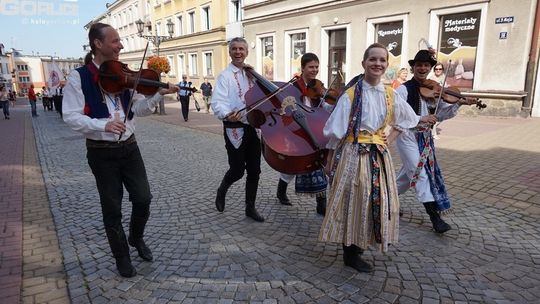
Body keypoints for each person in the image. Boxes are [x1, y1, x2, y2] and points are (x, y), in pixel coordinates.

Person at [62, 22, 179, 277]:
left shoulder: (123, 75)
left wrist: (159, 94)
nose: (121, 46)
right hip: (101, 152)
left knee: (143, 198)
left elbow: (139, 109)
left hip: (130, 147)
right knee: (112, 207)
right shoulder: (78, 77)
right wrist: (103, 124)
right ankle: (121, 256)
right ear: (98, 44)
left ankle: (136, 238)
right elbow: (70, 116)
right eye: (115, 41)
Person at [319, 43, 434, 272]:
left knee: (377, 201)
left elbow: (405, 120)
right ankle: (350, 252)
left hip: (378, 156)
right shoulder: (350, 95)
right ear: (364, 63)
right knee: (353, 201)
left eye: (382, 60)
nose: (377, 64)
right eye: (373, 59)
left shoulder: (390, 94)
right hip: (354, 154)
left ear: (387, 65)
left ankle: (362, 243)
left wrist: (388, 140)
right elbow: (334, 132)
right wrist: (330, 161)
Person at [394, 49, 477, 234]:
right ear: (413, 67)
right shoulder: (403, 90)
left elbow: (440, 115)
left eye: (426, 65)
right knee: (419, 173)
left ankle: (384, 198)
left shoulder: (435, 89)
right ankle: (435, 218)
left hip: (424, 137)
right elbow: (396, 116)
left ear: (430, 68)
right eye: (419, 65)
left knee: (408, 177)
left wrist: (457, 103)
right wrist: (421, 118)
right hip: (406, 135)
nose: (422, 68)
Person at [211, 37, 265, 222]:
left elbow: (262, 96)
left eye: (241, 49)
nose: (238, 52)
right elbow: (218, 102)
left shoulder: (252, 74)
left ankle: (250, 207)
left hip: (253, 128)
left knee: (255, 170)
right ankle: (222, 189)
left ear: (247, 52)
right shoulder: (224, 76)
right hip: (234, 127)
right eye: (234, 49)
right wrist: (227, 114)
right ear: (230, 52)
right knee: (237, 170)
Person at [276, 52, 332, 215]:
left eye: (316, 67)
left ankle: (321, 203)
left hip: (315, 130)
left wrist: (330, 102)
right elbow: (285, 109)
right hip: (298, 130)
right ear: (302, 68)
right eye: (311, 67)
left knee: (319, 164)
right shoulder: (292, 87)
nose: (314, 70)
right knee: (291, 167)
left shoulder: (319, 86)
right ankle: (281, 190)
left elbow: (325, 107)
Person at [428, 62, 446, 139]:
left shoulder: (444, 77)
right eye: (436, 69)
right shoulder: (431, 78)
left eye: (440, 69)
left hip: (441, 99)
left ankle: (432, 131)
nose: (438, 70)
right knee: (433, 116)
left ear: (442, 70)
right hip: (432, 100)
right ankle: (433, 133)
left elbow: (445, 88)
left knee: (440, 117)